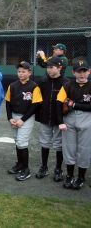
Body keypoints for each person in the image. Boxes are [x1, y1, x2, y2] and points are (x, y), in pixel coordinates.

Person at [57, 58, 91, 190]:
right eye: (78, 71)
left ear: (89, 71)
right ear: (73, 72)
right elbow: (58, 104)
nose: (82, 74)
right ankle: (70, 175)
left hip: (87, 120)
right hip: (69, 119)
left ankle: (81, 177)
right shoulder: (67, 85)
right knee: (69, 148)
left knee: (84, 149)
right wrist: (60, 122)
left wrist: (75, 104)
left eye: (84, 71)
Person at [5, 61, 43, 181]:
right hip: (15, 116)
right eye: (19, 71)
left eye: (24, 71)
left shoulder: (34, 86)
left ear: (29, 73)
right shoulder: (13, 85)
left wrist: (23, 120)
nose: (21, 74)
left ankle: (26, 169)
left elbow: (35, 106)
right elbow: (7, 103)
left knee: (22, 142)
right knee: (17, 141)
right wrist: (10, 118)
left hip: (26, 117)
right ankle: (20, 164)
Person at [34, 57, 68, 182]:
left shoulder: (66, 82)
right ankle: (44, 167)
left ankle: (58, 168)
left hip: (59, 119)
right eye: (47, 67)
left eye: (51, 67)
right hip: (45, 117)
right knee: (44, 142)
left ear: (59, 68)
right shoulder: (42, 81)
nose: (49, 70)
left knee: (59, 144)